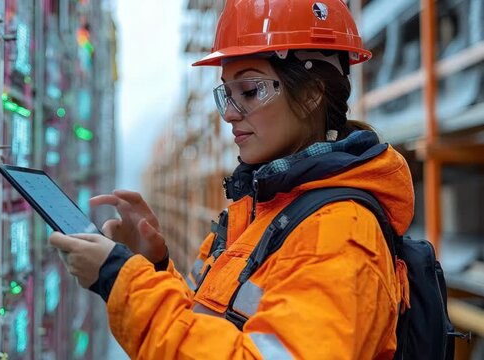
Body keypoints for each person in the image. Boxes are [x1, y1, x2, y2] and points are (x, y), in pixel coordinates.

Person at [49, 0, 414, 358]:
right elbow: (210, 327)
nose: (228, 115)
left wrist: (120, 281)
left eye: (250, 91)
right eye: (226, 94)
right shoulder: (263, 211)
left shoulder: (340, 235)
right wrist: (151, 266)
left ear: (311, 95)